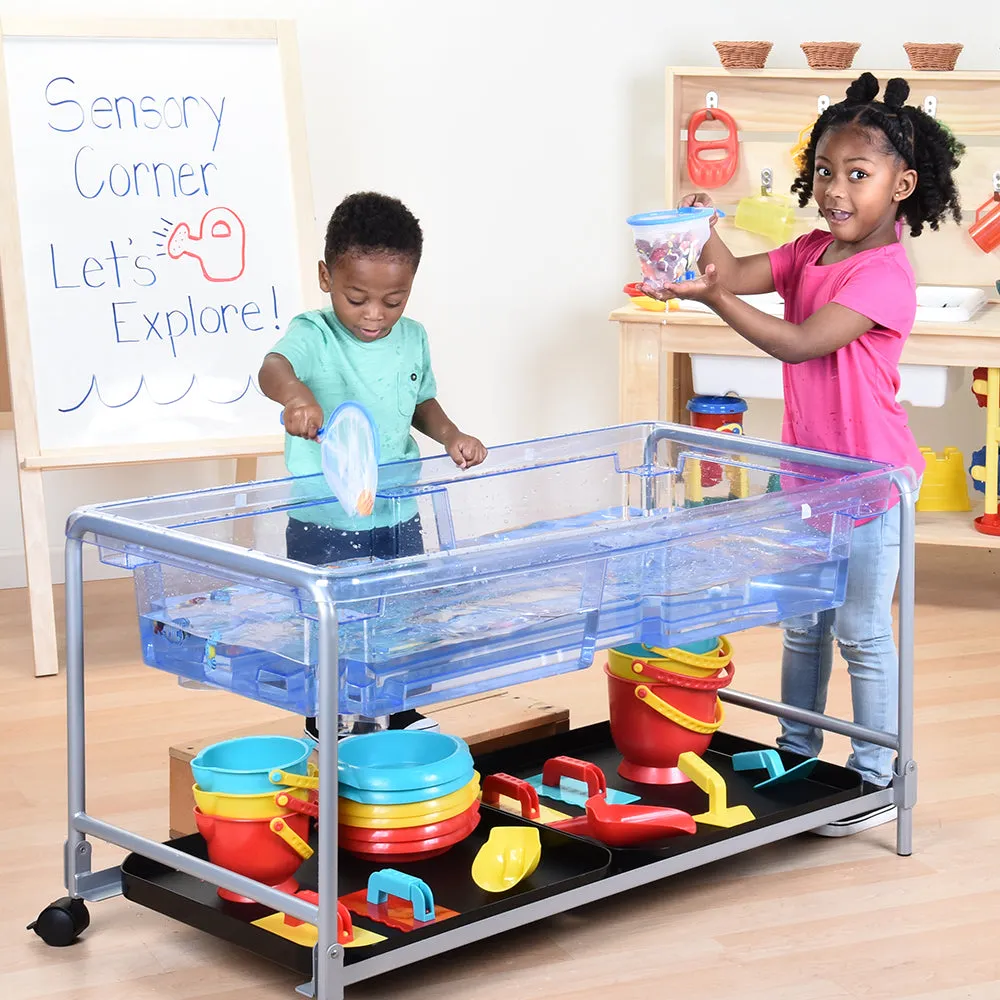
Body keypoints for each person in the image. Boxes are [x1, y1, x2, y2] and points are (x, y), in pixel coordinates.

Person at [642, 73, 964, 807]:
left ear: (903, 184)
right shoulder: (807, 251)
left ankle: (877, 775)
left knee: (859, 633)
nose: (834, 189)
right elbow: (728, 271)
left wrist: (716, 296)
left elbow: (797, 344)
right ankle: (797, 755)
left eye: (858, 174)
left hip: (874, 487)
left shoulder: (885, 276)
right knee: (801, 625)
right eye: (823, 171)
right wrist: (702, 236)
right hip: (808, 481)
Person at [259, 191, 487, 567]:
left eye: (393, 301)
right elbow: (273, 367)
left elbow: (419, 402)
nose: (375, 315)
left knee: (402, 612)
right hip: (322, 519)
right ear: (325, 277)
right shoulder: (314, 334)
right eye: (356, 298)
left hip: (397, 513)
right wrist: (295, 397)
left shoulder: (413, 338)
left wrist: (451, 435)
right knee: (330, 619)